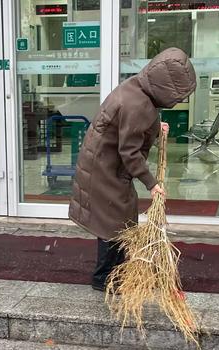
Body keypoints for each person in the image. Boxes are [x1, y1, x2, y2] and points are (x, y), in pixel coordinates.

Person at [69, 48, 197, 291]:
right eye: (178, 96)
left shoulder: (137, 88)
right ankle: (104, 278)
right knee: (113, 224)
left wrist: (157, 127)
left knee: (119, 221)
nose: (179, 101)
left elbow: (132, 127)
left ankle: (117, 271)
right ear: (165, 88)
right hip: (105, 171)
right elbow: (129, 151)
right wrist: (152, 183)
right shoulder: (137, 104)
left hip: (104, 165)